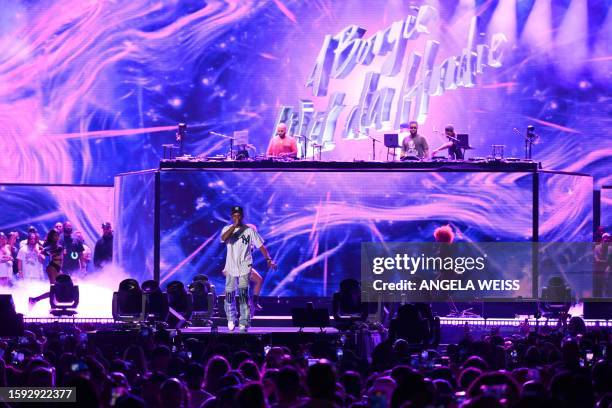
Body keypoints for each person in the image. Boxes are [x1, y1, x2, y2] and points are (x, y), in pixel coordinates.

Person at [220, 206, 276, 332]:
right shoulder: (227, 229)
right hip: (231, 267)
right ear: (232, 216)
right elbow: (224, 239)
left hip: (245, 266)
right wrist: (234, 226)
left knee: (244, 294)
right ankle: (231, 318)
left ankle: (245, 320)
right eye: (234, 215)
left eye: (239, 215)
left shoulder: (250, 231)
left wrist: (268, 259)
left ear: (242, 216)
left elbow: (261, 246)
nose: (237, 217)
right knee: (229, 294)